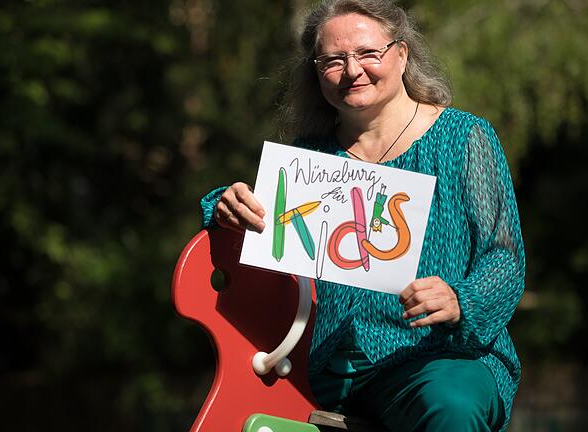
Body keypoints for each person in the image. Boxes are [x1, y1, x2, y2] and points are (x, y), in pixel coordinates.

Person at [200, 1, 525, 430]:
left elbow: (504, 258)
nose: (353, 70)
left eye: (368, 53)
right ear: (316, 73)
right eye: (333, 60)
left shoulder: (463, 138)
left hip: (437, 359)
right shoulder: (306, 159)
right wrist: (226, 207)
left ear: (402, 54)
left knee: (452, 403)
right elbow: (262, 243)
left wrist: (461, 301)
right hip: (324, 372)